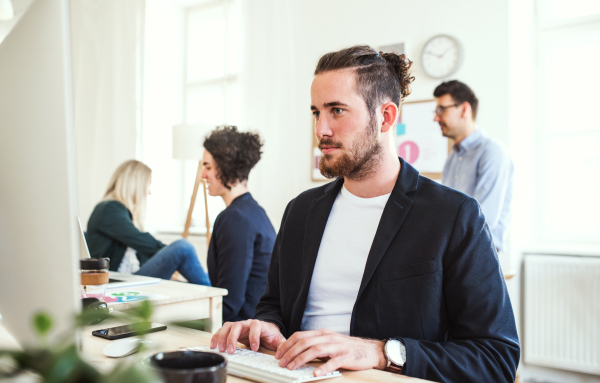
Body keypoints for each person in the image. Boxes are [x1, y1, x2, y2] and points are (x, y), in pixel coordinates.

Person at [210, 46, 520, 382]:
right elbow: (274, 305)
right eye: (316, 112)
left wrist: (380, 352)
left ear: (386, 117)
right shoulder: (300, 211)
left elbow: (497, 358)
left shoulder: (453, 215)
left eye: (337, 110)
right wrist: (267, 327)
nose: (321, 130)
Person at [86, 160, 211, 285]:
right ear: (135, 185)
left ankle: (215, 291)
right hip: (117, 282)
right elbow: (144, 243)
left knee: (191, 284)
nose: (149, 192)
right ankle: (218, 296)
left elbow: (143, 252)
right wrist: (170, 254)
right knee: (183, 248)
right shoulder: (109, 209)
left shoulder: (119, 212)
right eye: (148, 184)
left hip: (129, 278)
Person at [201, 126, 276, 323]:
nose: (202, 175)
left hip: (242, 333)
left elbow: (230, 303)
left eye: (208, 167)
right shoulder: (254, 212)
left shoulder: (235, 218)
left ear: (225, 167)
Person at [434, 80, 514, 252]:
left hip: (480, 255)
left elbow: (483, 220)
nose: (436, 117)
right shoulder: (452, 158)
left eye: (442, 109)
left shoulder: (492, 151)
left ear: (464, 109)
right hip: (454, 252)